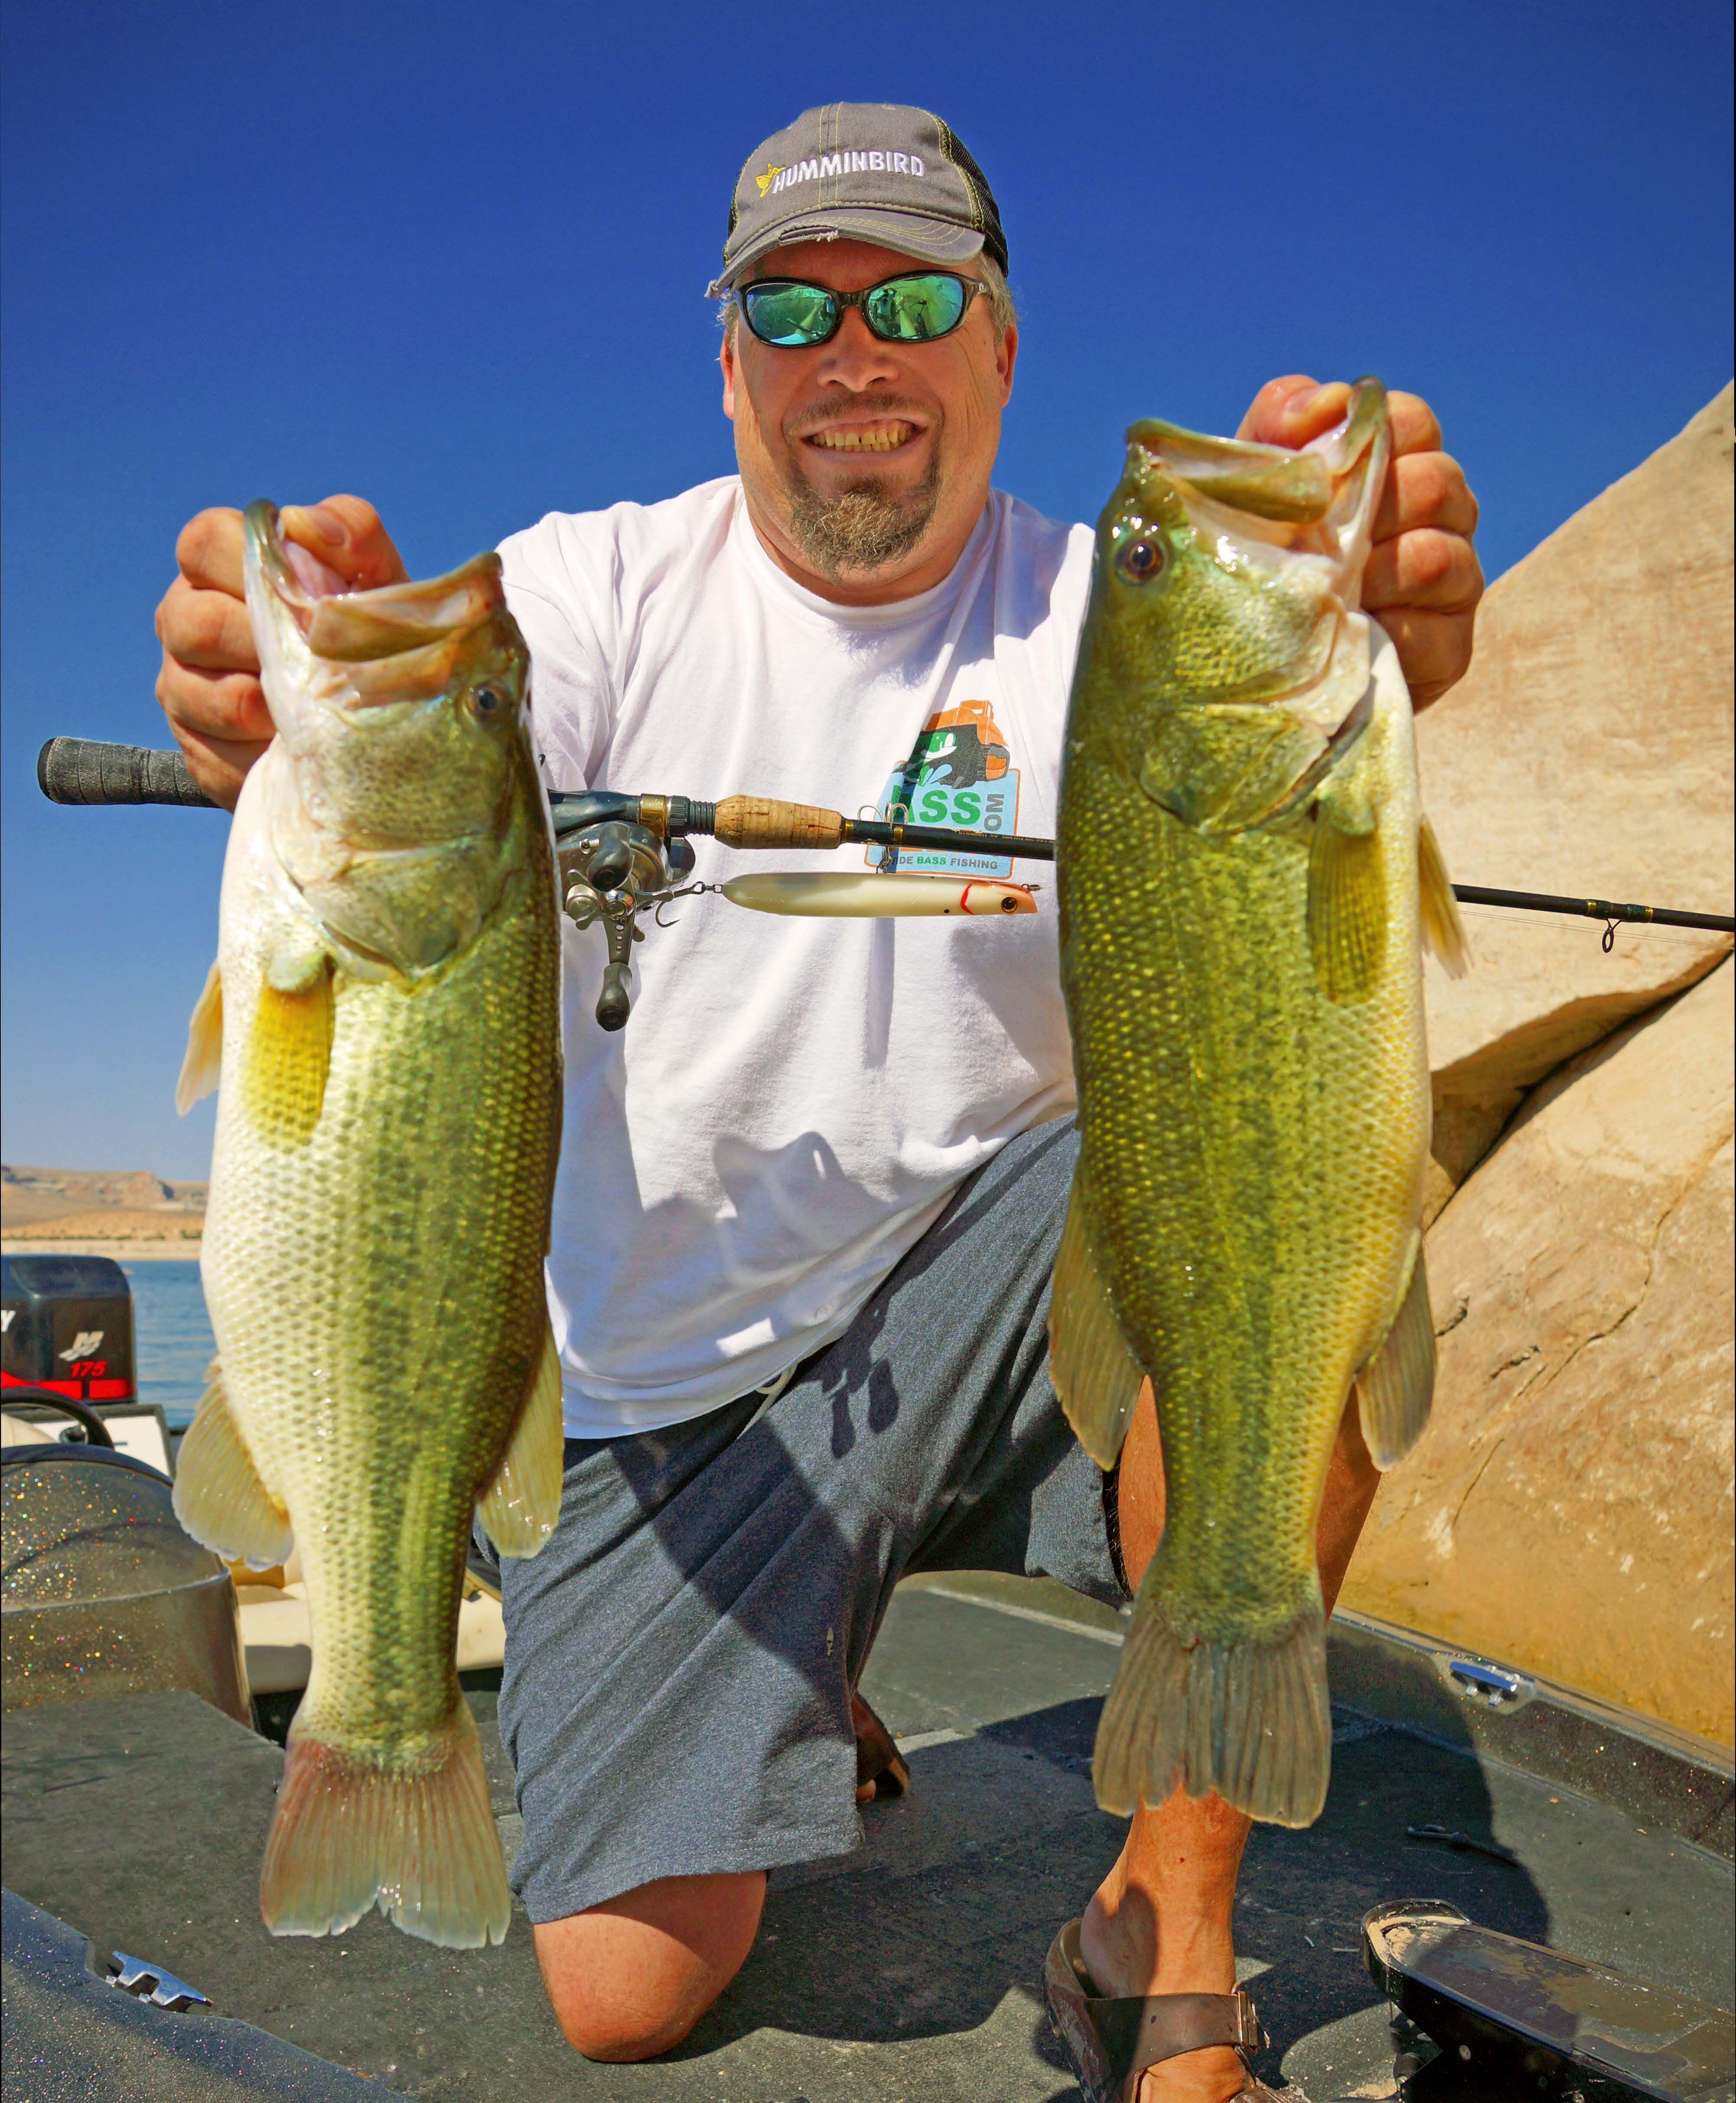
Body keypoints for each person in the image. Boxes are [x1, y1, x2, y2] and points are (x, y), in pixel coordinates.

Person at [155, 104, 1482, 2103]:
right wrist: (274, 718)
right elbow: (441, 762)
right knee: (623, 1992)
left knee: (1292, 1218)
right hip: (673, 1406)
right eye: (793, 304)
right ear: (731, 364)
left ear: (1004, 348)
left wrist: (1383, 638)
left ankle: (1166, 1932)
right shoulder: (589, 600)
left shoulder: (1108, 620)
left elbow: (1291, 959)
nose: (854, 355)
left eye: (915, 296)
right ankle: (798, 1662)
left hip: (1013, 1295)